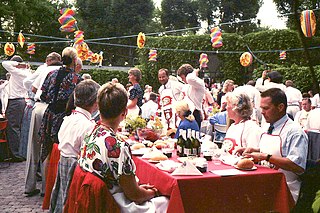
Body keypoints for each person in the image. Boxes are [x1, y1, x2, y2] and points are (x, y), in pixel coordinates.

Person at [78, 82, 169, 212]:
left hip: (92, 199)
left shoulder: (91, 133)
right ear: (124, 112)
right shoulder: (118, 146)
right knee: (166, 201)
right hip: (110, 203)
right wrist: (154, 192)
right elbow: (135, 195)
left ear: (99, 108)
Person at [238, 88, 308, 203]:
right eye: (261, 108)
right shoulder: (267, 126)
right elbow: (274, 149)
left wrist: (265, 157)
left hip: (286, 191)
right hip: (264, 185)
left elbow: (297, 166)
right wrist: (254, 150)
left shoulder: (294, 132)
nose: (262, 112)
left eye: (266, 108)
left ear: (280, 107)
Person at [49, 79, 100, 212]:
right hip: (76, 169)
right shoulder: (88, 125)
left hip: (64, 162)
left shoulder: (69, 118)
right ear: (95, 103)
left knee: (62, 198)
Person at [24, 52, 62, 198]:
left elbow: (32, 88)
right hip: (53, 110)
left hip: (39, 107)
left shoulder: (42, 69)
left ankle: (29, 186)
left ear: (48, 61)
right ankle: (46, 189)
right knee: (48, 147)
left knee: (33, 147)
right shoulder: (64, 71)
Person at [2, 55, 31, 162]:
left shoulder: (18, 72)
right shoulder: (26, 73)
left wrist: (17, 65)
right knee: (18, 127)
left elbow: (5, 63)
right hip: (20, 101)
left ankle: (16, 154)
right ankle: (19, 152)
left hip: (15, 102)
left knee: (13, 128)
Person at [177, 64, 205, 128]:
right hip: (185, 114)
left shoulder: (199, 83)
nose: (183, 80)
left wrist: (194, 71)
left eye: (183, 78)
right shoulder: (186, 86)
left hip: (195, 114)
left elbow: (189, 78)